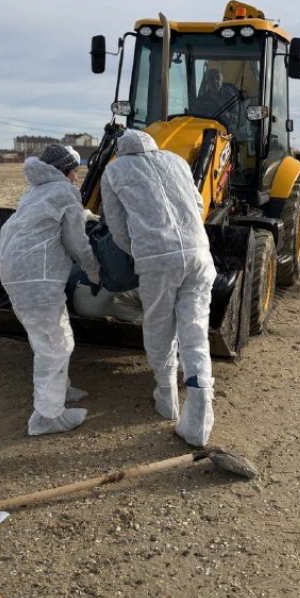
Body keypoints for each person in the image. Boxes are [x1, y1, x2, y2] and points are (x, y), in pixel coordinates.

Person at [101, 129, 217, 447]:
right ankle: (200, 415)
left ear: (122, 149)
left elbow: (116, 224)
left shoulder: (114, 169)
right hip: (198, 254)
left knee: (159, 326)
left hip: (156, 258)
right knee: (195, 331)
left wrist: (138, 250)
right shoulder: (177, 160)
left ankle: (167, 401)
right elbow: (197, 202)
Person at [0, 144, 101, 436]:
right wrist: (93, 271)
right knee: (58, 343)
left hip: (14, 274)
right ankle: (47, 416)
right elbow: (76, 243)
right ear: (65, 170)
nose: (77, 178)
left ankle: (60, 390)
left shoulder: (32, 193)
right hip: (37, 277)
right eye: (75, 172)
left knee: (44, 337)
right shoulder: (64, 192)